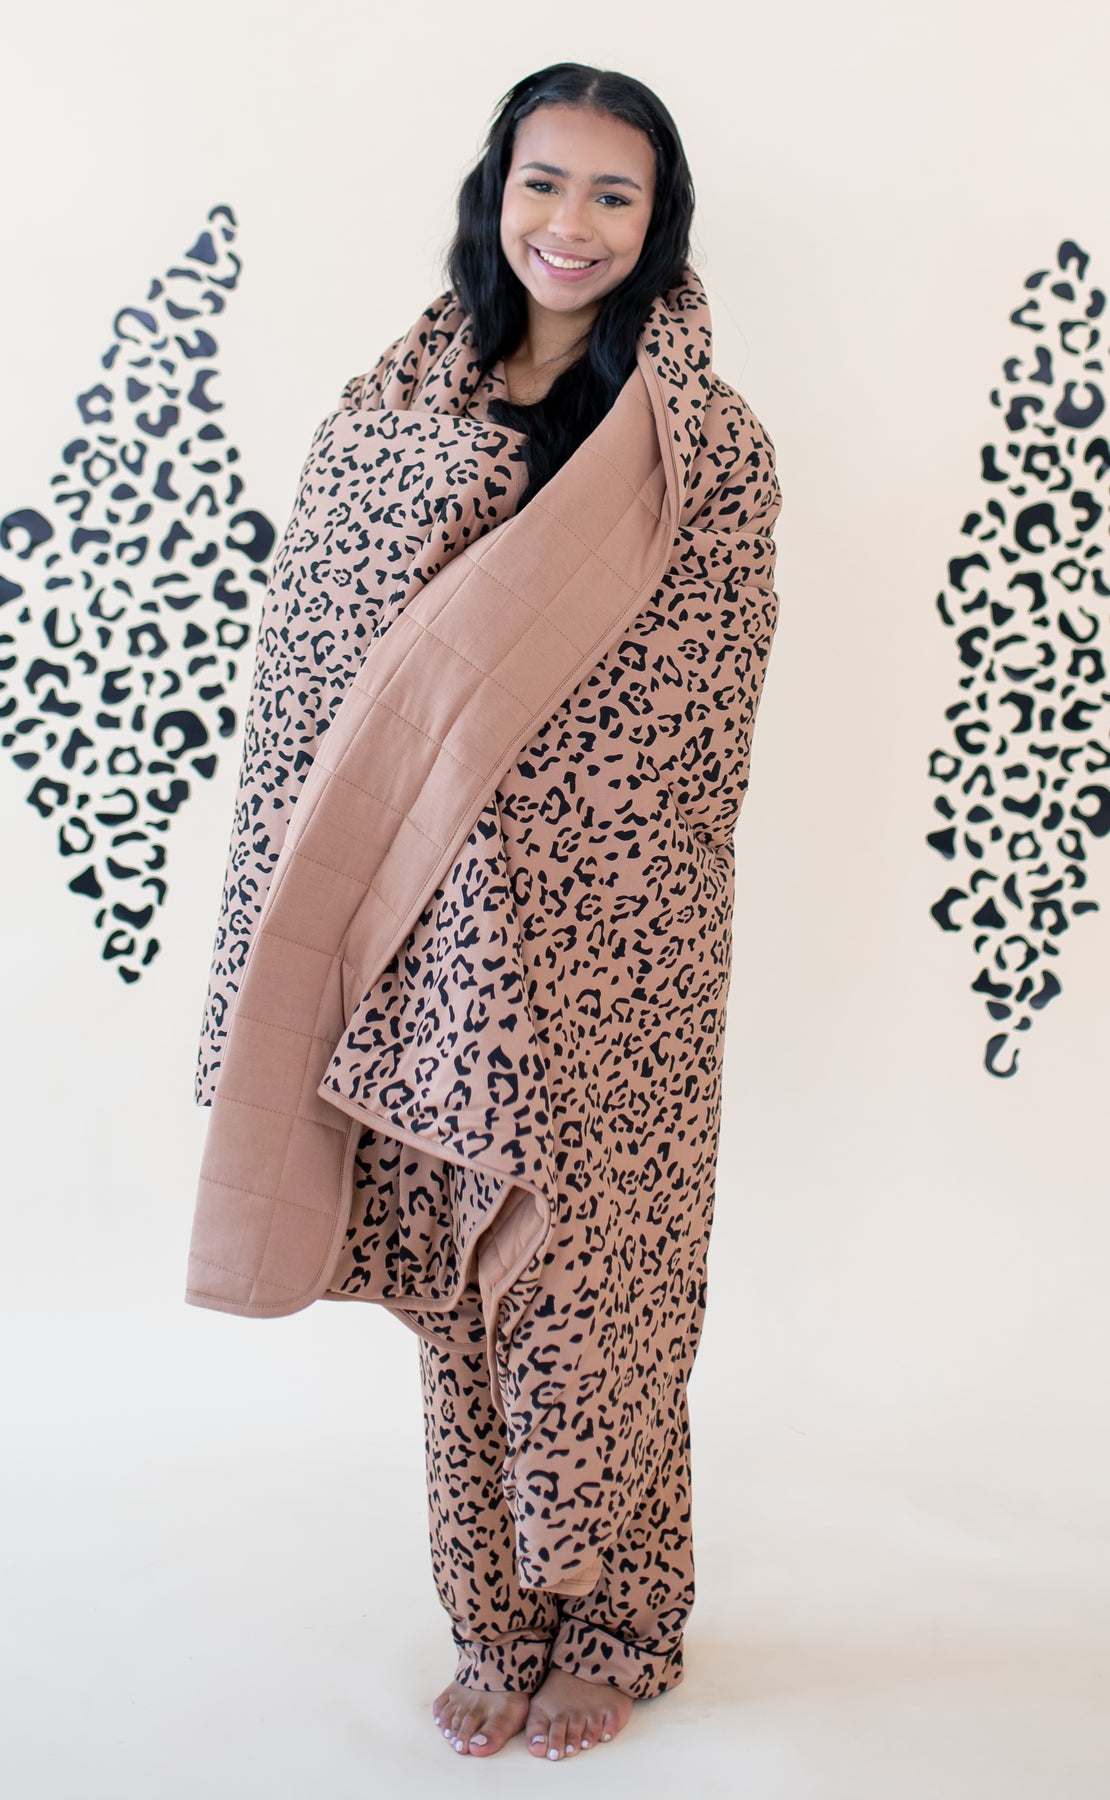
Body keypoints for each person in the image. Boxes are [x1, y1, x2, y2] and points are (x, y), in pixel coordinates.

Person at [187, 61, 783, 1764]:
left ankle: (620, 1617)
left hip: (608, 943)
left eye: (615, 195)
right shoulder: (389, 417)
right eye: (545, 183)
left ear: (658, 223)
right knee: (461, 1288)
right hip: (419, 936)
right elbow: (315, 684)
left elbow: (690, 721)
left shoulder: (704, 451)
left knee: (603, 1280)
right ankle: (494, 1618)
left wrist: (524, 834)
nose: (572, 225)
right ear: (492, 190)